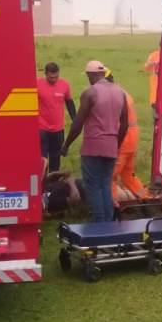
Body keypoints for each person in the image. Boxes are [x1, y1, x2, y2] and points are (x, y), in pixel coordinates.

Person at [61, 60, 128, 222]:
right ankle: (108, 223)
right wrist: (116, 144)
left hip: (93, 147)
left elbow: (78, 122)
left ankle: (99, 224)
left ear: (90, 75)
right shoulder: (120, 92)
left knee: (93, 186)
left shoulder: (90, 93)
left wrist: (66, 145)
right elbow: (124, 123)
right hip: (111, 147)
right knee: (105, 185)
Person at [105, 71, 147, 203]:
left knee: (109, 176)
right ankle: (147, 199)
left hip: (122, 140)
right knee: (128, 175)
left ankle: (113, 206)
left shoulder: (113, 95)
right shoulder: (123, 92)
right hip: (132, 139)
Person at [37, 62, 76, 173]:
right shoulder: (37, 84)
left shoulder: (64, 85)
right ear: (45, 74)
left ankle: (53, 185)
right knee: (42, 159)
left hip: (58, 129)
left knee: (55, 157)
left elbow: (69, 102)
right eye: (51, 77)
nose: (53, 80)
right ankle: (42, 184)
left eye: (56, 77)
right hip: (41, 127)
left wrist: (75, 119)